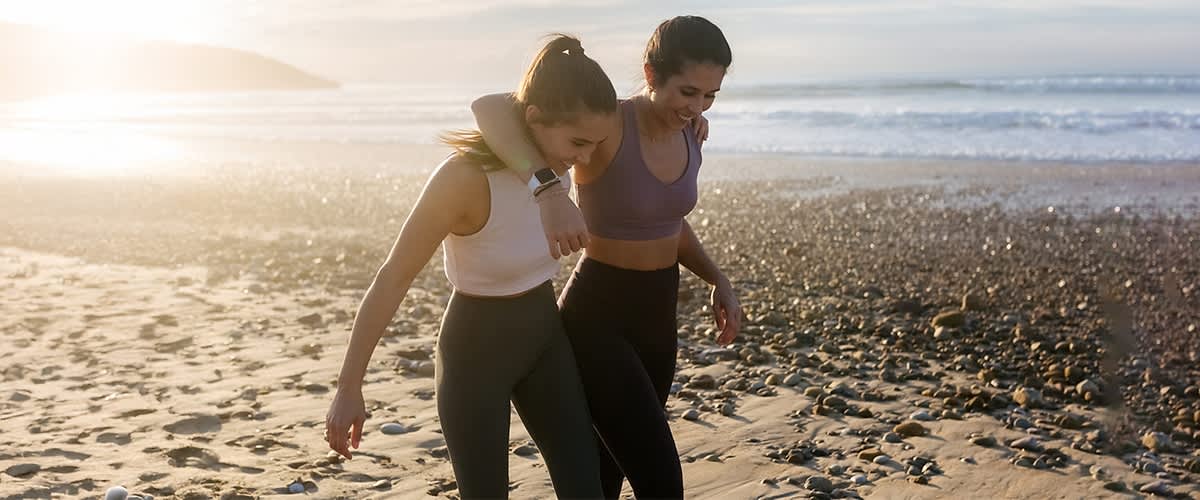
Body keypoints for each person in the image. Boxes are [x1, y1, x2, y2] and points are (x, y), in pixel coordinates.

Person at [324, 35, 617, 499]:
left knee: (586, 491)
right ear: (535, 120)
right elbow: (393, 276)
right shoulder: (463, 179)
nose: (584, 158)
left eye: (594, 144)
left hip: (545, 338)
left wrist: (690, 122)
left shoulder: (557, 166)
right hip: (475, 354)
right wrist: (349, 386)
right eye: (577, 143)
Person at [471, 15, 742, 499]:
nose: (698, 106)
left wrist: (716, 277)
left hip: (659, 317)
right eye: (687, 91)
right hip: (598, 316)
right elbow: (489, 107)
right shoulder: (610, 121)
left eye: (709, 96)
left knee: (605, 478)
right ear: (651, 73)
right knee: (661, 480)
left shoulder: (691, 132)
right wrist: (548, 191)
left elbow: (669, 223)